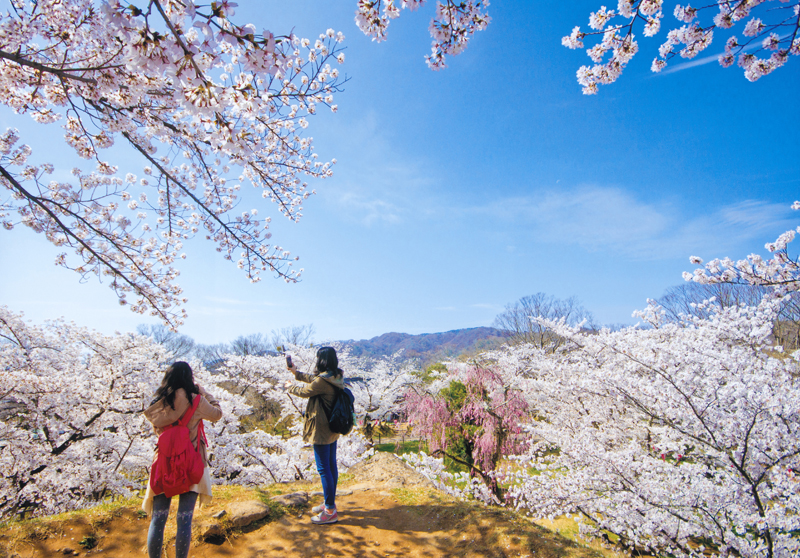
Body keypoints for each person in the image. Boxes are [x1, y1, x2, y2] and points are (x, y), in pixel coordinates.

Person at [142, 361, 223, 558]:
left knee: (158, 519)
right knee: (184, 518)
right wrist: (205, 393)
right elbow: (217, 414)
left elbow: (156, 430)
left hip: (163, 463)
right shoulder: (195, 400)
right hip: (191, 463)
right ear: (190, 378)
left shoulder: (158, 403)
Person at [287, 346, 345, 525]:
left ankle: (329, 510)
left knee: (323, 469)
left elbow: (306, 391)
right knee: (331, 466)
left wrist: (291, 386)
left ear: (321, 360)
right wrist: (296, 373)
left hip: (321, 429)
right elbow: (314, 379)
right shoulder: (336, 376)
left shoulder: (322, 381)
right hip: (333, 428)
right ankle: (330, 503)